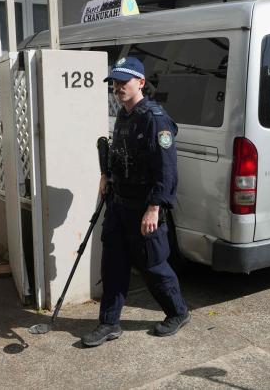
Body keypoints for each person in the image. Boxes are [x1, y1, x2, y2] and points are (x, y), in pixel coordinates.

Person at [81, 57, 190, 347]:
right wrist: (106, 175)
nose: (117, 87)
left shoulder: (155, 119)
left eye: (123, 82)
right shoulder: (124, 116)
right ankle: (109, 323)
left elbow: (166, 170)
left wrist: (154, 208)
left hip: (144, 207)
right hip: (119, 204)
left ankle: (177, 312)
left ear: (140, 82)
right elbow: (120, 155)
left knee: (153, 265)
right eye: (114, 83)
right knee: (113, 265)